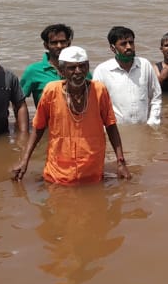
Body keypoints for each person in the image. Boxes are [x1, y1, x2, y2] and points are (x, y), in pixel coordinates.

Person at [11, 46, 130, 185]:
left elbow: (111, 125)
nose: (78, 72)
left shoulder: (99, 90)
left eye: (82, 66)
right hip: (58, 174)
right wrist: (24, 161)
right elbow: (38, 128)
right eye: (72, 68)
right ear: (62, 71)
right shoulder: (51, 91)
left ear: (87, 68)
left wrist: (121, 163)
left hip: (92, 172)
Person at [92, 26, 162, 126]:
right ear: (113, 48)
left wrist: (152, 123)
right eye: (123, 44)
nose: (129, 47)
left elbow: (156, 96)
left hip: (144, 129)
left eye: (131, 42)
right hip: (117, 130)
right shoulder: (102, 70)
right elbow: (97, 104)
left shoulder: (144, 65)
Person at [21, 24, 74, 105]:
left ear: (69, 43)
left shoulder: (80, 69)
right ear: (46, 45)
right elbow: (18, 100)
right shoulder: (33, 71)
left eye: (63, 42)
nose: (59, 46)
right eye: (54, 43)